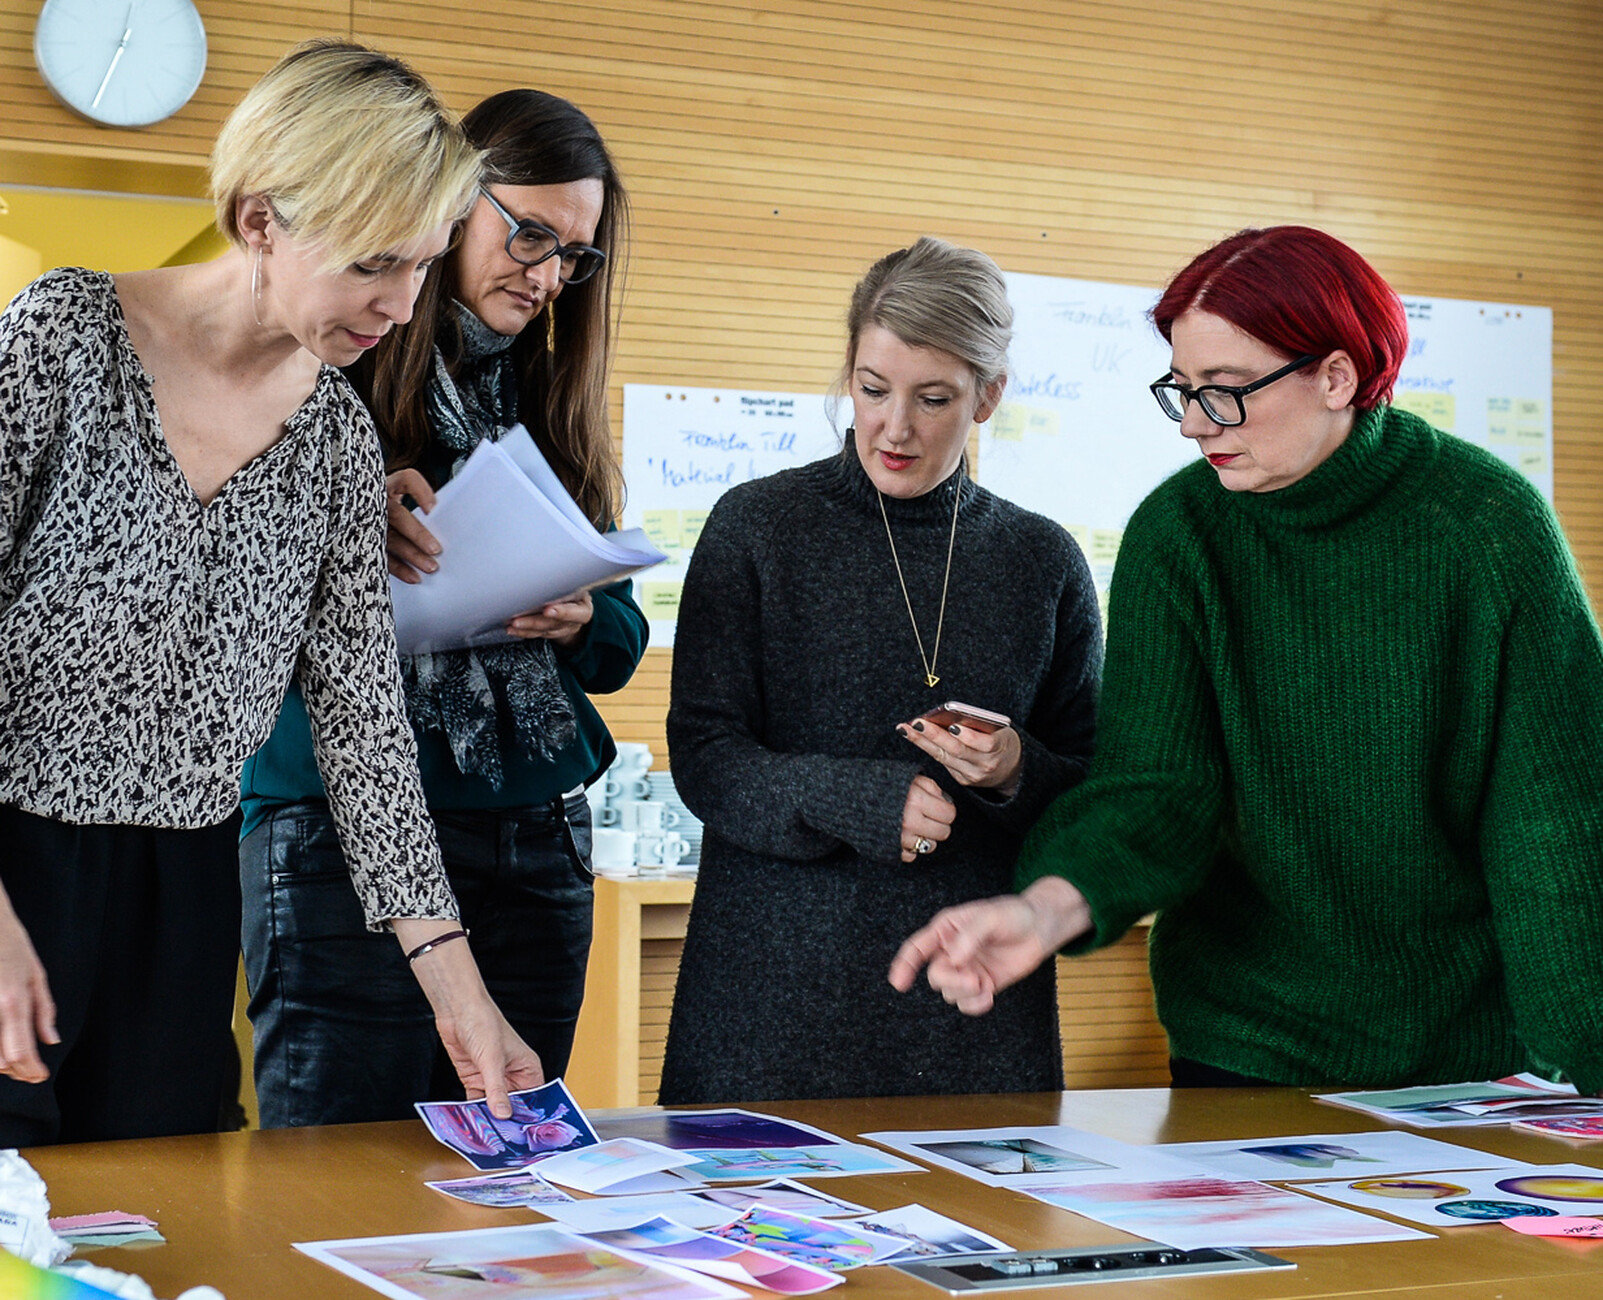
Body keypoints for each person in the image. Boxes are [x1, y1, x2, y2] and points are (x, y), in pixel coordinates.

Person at [892, 225, 1603, 1094]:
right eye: (1181, 390)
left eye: (1224, 392)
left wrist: (1584, 1074)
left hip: (1469, 1063)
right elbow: (1157, 795)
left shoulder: (1488, 528)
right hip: (1242, 1046)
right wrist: (1042, 909)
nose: (1194, 425)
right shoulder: (1178, 535)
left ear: (1336, 376)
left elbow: (1555, 824)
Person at [0, 40, 544, 1147]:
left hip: (185, 888)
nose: (400, 302)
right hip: (13, 861)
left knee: (150, 1225)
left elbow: (363, 731)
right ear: (260, 220)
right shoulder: (61, 339)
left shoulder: (337, 443)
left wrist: (461, 993)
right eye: (370, 264)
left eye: (424, 265)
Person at [240, 89, 646, 1127]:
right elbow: (223, 604)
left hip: (534, 829)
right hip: (341, 829)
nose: (548, 273)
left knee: (508, 1160)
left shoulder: (551, 394)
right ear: (451, 204)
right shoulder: (328, 357)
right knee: (340, 1169)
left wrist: (581, 617)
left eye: (574, 254)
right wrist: (335, 531)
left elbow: (618, 640)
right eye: (529, 234)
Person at [657, 237, 1102, 1104]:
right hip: (768, 1005)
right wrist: (856, 800)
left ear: (988, 397)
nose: (892, 427)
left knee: (982, 1241)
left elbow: (1092, 791)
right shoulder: (756, 527)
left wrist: (1015, 771)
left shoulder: (1039, 559)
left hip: (972, 1012)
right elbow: (705, 758)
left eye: (932, 398)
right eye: (870, 389)